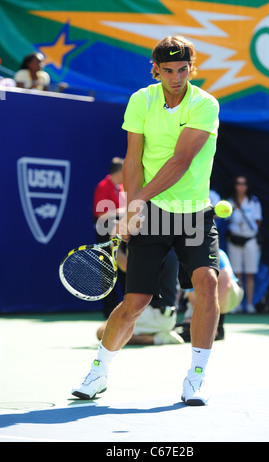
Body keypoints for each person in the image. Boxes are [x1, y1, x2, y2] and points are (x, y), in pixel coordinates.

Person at [72, 35, 220, 406]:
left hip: (194, 212)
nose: (175, 77)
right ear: (155, 69)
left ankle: (195, 378)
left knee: (207, 282)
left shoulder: (205, 104)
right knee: (135, 301)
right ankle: (98, 372)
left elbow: (181, 161)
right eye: (167, 70)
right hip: (154, 213)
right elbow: (133, 159)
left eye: (182, 69)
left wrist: (137, 201)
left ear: (191, 67)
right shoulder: (141, 100)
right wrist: (133, 206)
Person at [96, 248, 183, 345]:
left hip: (155, 315)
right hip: (162, 315)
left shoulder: (149, 247)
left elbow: (126, 265)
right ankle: (159, 333)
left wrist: (114, 246)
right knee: (108, 330)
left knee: (102, 333)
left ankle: (161, 339)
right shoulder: (167, 246)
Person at [178, 249, 244, 341]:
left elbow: (226, 283)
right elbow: (192, 296)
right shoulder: (187, 261)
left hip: (231, 294)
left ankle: (218, 324)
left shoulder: (217, 253)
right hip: (205, 298)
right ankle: (212, 326)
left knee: (220, 285)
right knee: (188, 325)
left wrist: (210, 315)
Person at [93, 157, 126, 318]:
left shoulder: (121, 187)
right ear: (119, 171)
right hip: (105, 236)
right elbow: (100, 214)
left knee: (126, 271)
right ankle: (110, 311)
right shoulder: (103, 186)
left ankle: (127, 309)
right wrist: (120, 213)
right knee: (108, 273)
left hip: (123, 237)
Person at [226, 175, 262, 313]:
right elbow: (227, 221)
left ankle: (250, 304)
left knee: (250, 273)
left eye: (244, 184)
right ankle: (237, 304)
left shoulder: (254, 202)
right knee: (236, 274)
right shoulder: (230, 202)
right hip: (235, 239)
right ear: (235, 186)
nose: (241, 186)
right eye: (238, 183)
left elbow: (258, 221)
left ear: (247, 186)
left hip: (250, 239)